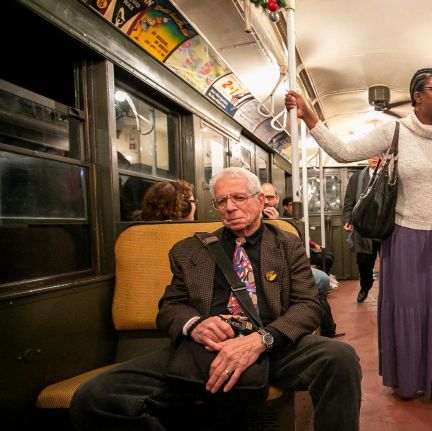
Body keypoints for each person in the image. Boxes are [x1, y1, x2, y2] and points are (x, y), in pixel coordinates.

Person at [70, 167, 361, 431]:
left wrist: (260, 341)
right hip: (203, 350)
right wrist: (195, 324)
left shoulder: (287, 245)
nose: (230, 207)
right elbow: (170, 307)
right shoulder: (190, 251)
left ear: (260, 201)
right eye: (221, 201)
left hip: (272, 346)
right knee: (94, 397)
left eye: (238, 197)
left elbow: (308, 305)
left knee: (340, 358)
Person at [286, 68, 432, 409]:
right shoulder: (395, 131)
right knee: (408, 309)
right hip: (404, 236)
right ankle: (409, 376)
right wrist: (310, 117)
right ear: (417, 95)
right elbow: (342, 152)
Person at [260, 182, 341, 336]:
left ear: (276, 200)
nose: (265, 202)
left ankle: (325, 329)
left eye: (270, 198)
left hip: (286, 265)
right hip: (265, 267)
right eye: (262, 197)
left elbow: (297, 244)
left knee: (321, 280)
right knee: (318, 282)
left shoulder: (286, 222)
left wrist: (278, 223)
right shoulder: (252, 219)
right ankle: (327, 329)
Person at [343, 155, 383, 303]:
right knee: (364, 263)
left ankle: (389, 292)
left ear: (385, 158)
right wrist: (348, 219)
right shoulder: (356, 178)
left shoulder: (390, 176)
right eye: (371, 155)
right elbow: (349, 201)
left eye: (379, 155)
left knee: (390, 262)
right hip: (363, 228)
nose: (375, 158)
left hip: (384, 227)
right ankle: (365, 285)